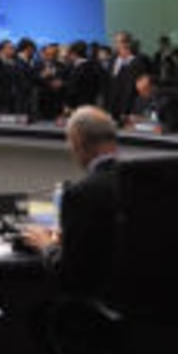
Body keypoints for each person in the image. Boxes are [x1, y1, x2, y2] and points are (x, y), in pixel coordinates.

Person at [22, 106, 121, 299]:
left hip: (92, 309)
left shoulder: (80, 193)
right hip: (137, 305)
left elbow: (68, 275)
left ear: (76, 140)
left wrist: (46, 246)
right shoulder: (140, 181)